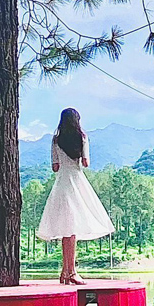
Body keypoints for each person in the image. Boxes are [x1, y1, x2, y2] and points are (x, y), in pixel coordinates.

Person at [37, 107, 115, 284]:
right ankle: (71, 272)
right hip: (77, 182)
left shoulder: (56, 139)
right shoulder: (82, 137)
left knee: (67, 229)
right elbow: (86, 163)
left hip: (61, 183)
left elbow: (55, 167)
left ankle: (66, 271)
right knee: (72, 229)